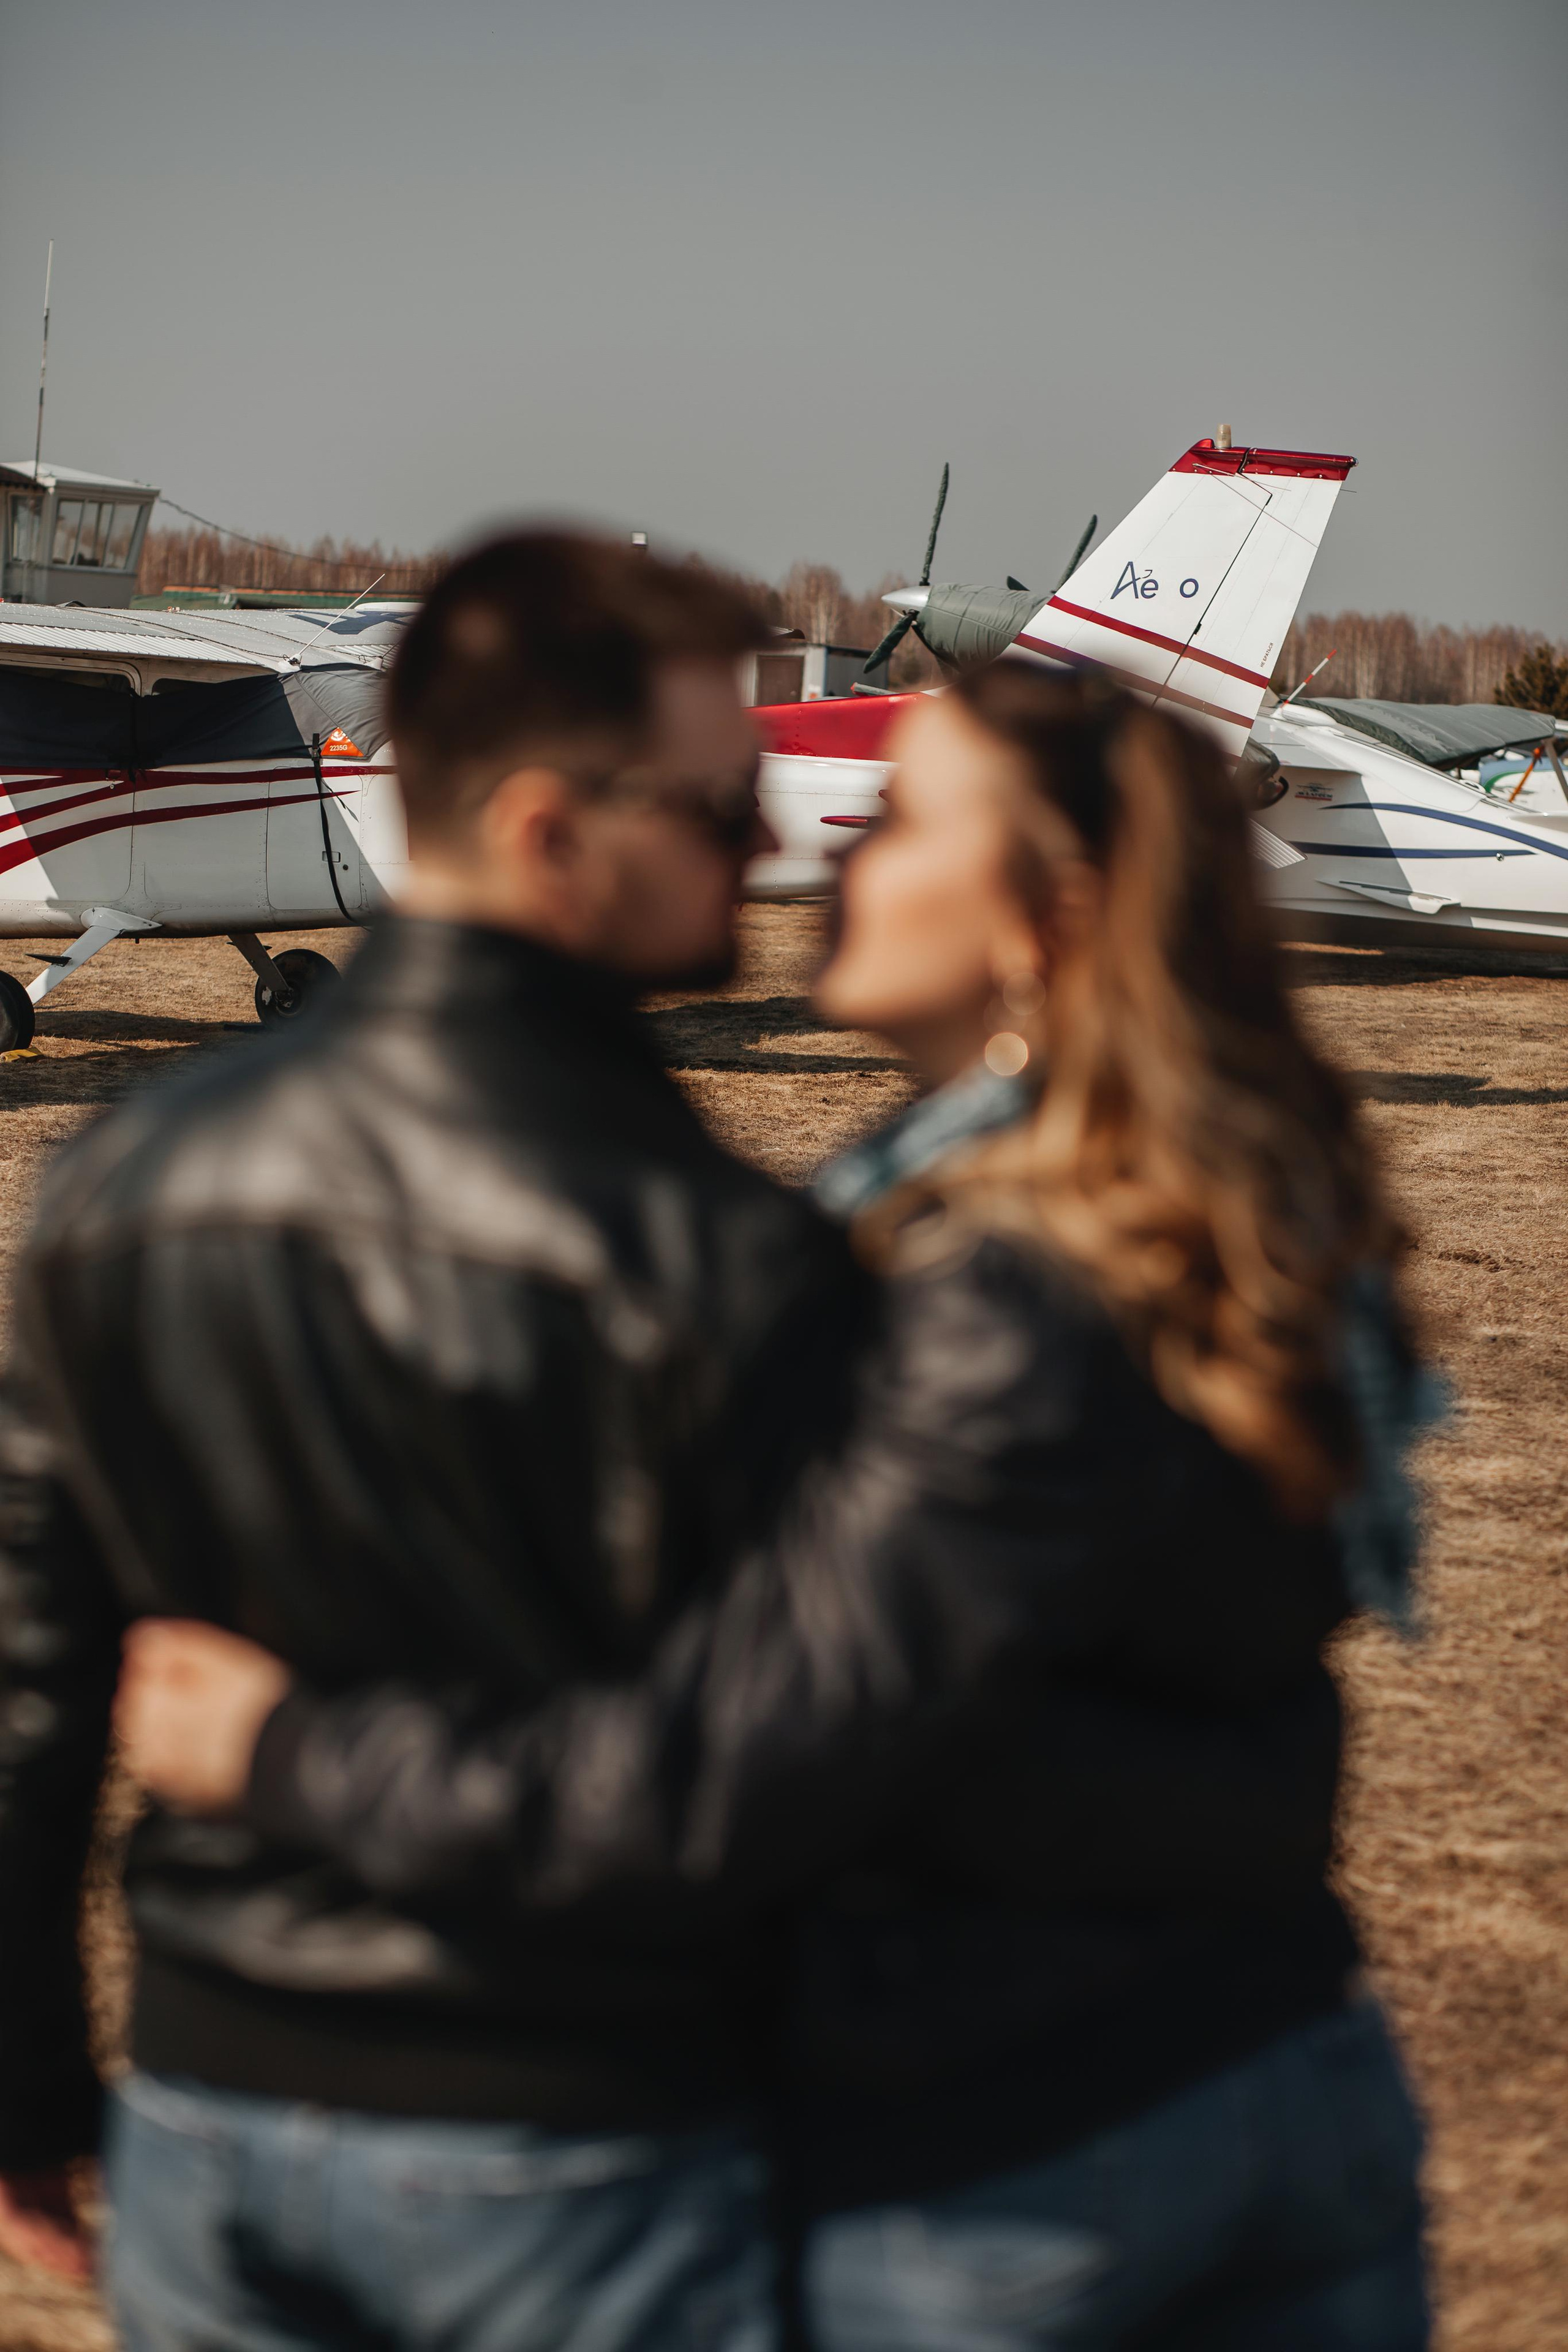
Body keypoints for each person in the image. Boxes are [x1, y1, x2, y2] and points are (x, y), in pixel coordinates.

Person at [117, 665, 1436, 2349]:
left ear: (1043, 918)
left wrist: (284, 1751)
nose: (829, 848)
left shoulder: (1005, 1301)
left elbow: (726, 1774)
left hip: (1021, 2160)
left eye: (899, 820)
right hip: (1277, 2058)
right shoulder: (1227, 1222)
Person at [0, 530, 878, 2350]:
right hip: (586, 2128)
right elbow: (787, 1768)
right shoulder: (741, 1258)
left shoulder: (117, 1184)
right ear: (551, 829)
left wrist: (16, 2088)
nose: (758, 849)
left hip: (211, 2110)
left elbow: (27, 1683)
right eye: (721, 809)